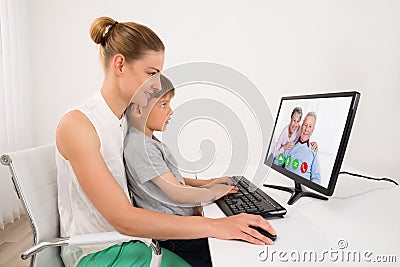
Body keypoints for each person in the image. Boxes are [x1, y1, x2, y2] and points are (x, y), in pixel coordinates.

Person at [56, 16, 276, 267]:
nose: (158, 84)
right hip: (100, 254)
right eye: (151, 73)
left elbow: (151, 181)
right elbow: (122, 219)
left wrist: (207, 186)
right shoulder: (78, 125)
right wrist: (214, 225)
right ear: (120, 65)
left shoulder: (124, 123)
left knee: (227, 253)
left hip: (133, 241)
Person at [124, 74, 237, 267]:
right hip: (176, 241)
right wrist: (214, 192)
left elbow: (170, 179)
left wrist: (206, 183)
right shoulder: (140, 146)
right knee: (232, 254)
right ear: (138, 109)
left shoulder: (147, 141)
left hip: (182, 233)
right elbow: (176, 192)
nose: (171, 110)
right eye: (163, 105)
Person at [274, 112, 321, 184]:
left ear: (312, 130)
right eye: (305, 125)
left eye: (310, 126)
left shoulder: (313, 152)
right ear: (302, 126)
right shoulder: (290, 146)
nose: (306, 129)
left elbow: (316, 180)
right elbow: (276, 163)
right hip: (284, 184)